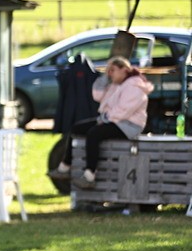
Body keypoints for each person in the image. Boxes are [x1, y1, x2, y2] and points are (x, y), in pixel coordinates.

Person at [50, 56, 153, 189]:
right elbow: (97, 95)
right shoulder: (117, 84)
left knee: (94, 134)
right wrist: (105, 78)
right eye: (109, 70)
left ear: (124, 70)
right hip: (113, 120)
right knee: (76, 128)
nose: (110, 73)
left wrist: (104, 120)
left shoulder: (135, 86)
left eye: (113, 70)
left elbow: (124, 111)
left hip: (129, 125)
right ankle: (64, 167)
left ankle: (89, 175)